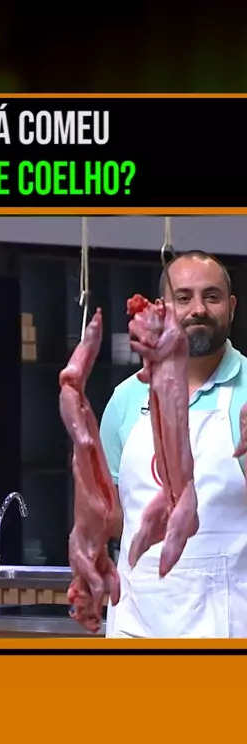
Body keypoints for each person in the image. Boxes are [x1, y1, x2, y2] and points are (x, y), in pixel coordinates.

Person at [99, 249, 247, 638]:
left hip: (227, 626)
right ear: (163, 309)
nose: (198, 309)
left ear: (231, 307)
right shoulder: (125, 398)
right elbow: (110, 514)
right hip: (136, 624)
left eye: (212, 297)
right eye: (184, 297)